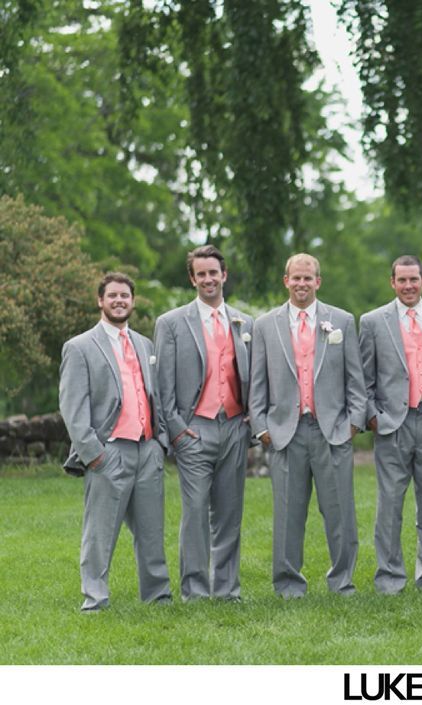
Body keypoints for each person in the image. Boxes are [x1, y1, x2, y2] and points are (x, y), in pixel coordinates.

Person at [248, 253, 367, 597]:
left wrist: (353, 424)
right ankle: (288, 585)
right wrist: (262, 426)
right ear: (285, 281)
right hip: (286, 432)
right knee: (288, 514)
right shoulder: (265, 325)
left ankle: (342, 581)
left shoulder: (341, 321)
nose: (302, 284)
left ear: (319, 281)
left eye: (308, 278)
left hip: (332, 430)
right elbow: (258, 382)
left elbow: (355, 379)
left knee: (340, 513)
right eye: (295, 278)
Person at [59, 272, 172, 611]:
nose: (119, 300)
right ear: (100, 300)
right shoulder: (79, 347)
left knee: (152, 531)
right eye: (112, 296)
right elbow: (72, 407)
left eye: (125, 296)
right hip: (109, 453)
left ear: (132, 301)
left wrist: (160, 443)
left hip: (148, 449)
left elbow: (156, 396)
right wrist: (94, 454)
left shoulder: (144, 344)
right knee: (99, 533)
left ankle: (157, 595)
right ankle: (95, 597)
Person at [153, 245, 253, 602]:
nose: (208, 279)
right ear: (192, 278)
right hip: (194, 428)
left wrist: (249, 422)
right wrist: (178, 430)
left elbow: (252, 378)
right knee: (195, 512)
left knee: (229, 513)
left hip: (235, 426)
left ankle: (227, 590)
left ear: (224, 275)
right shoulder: (171, 323)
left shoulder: (244, 322)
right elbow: (162, 385)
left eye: (214, 272)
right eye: (201, 274)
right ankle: (195, 591)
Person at [359, 255, 422, 594]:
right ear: (392, 282)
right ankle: (389, 578)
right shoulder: (373, 322)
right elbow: (364, 377)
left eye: (413, 279)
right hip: (393, 424)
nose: (408, 286)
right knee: (389, 506)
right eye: (401, 280)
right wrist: (374, 417)